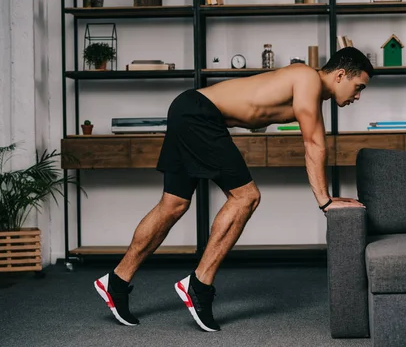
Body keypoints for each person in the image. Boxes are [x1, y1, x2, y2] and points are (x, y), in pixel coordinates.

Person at [93, 46, 374, 330]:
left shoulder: (311, 92)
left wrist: (326, 196)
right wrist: (325, 202)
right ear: (340, 75)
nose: (358, 96)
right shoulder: (307, 79)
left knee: (174, 204)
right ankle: (199, 284)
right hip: (200, 115)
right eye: (358, 86)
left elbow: (307, 136)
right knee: (246, 197)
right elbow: (313, 144)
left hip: (189, 109)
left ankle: (116, 281)